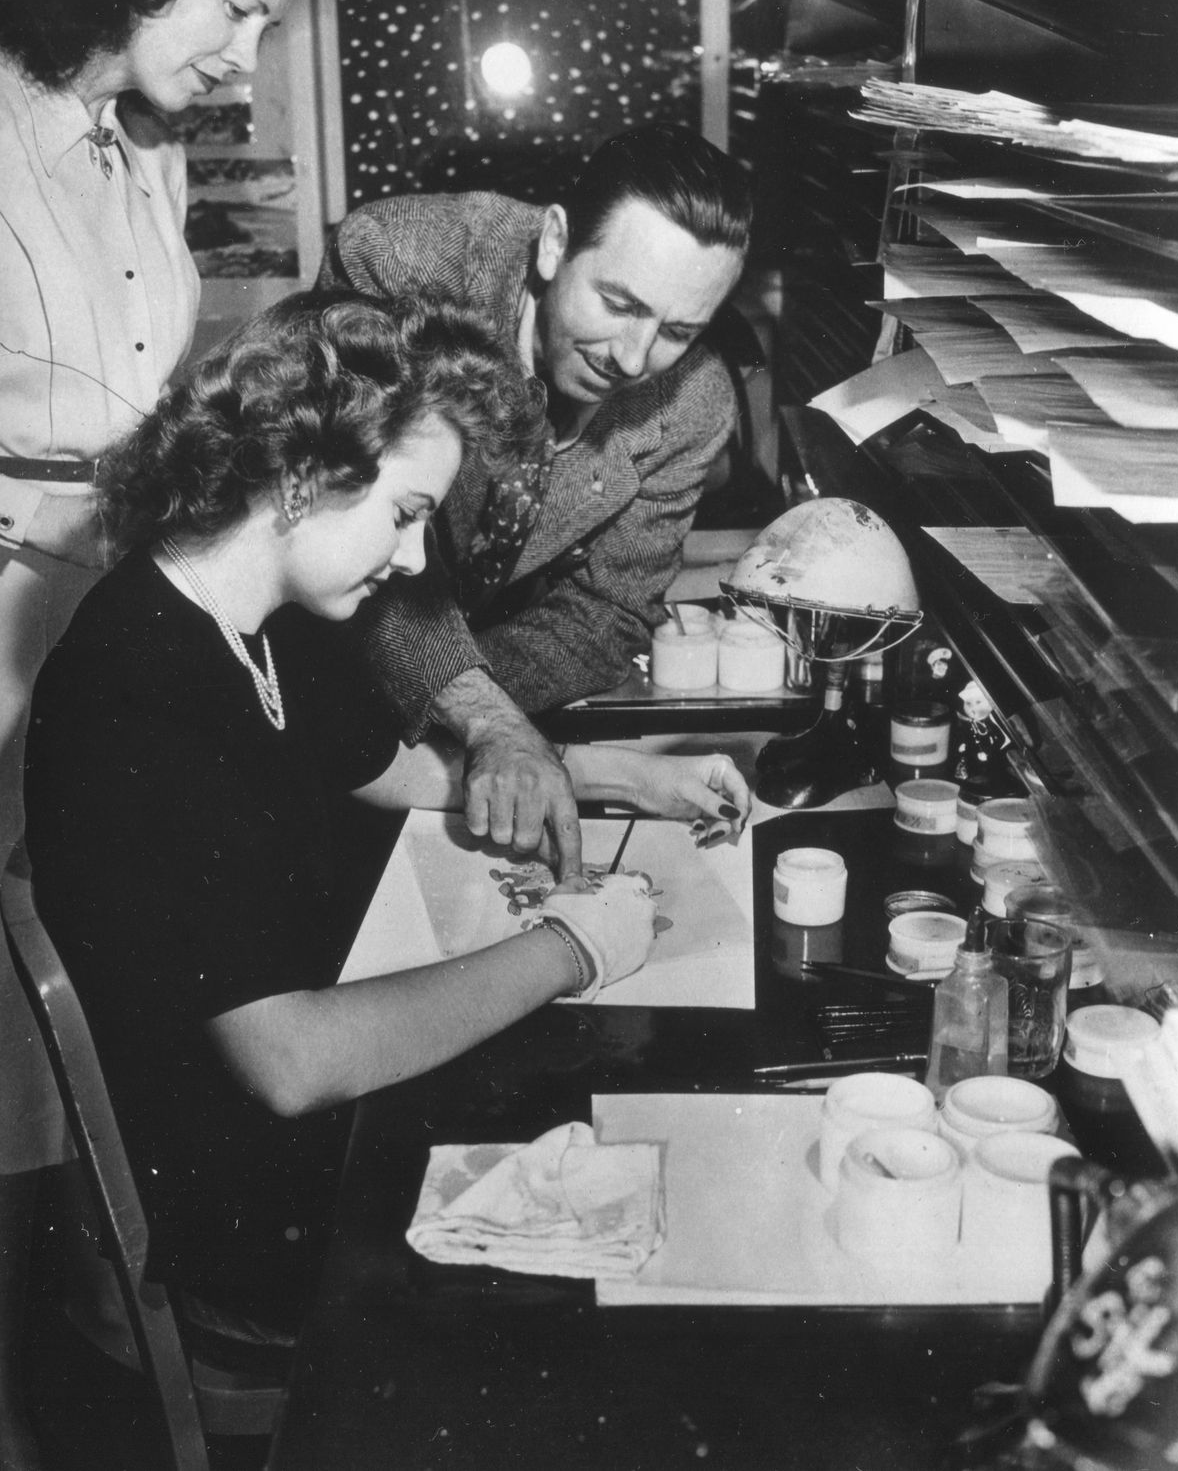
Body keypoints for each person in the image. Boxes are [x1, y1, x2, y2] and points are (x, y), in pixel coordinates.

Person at [23, 289, 750, 1337]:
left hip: (318, 1122)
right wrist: (573, 946)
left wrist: (625, 776)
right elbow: (293, 1064)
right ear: (305, 473)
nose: (413, 562)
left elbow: (399, 771)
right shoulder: (135, 687)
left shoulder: (260, 620)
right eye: (407, 515)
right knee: (658, 1240)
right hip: (260, 1203)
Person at [0, 0, 302, 1461]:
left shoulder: (149, 137)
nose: (252, 53)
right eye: (237, 8)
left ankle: (68, 1362)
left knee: (64, 1045)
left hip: (99, 604)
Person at [317, 123, 752, 879]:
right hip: (309, 659)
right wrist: (482, 716)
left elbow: (605, 613)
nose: (633, 358)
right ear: (554, 243)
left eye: (678, 330)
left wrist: (471, 721)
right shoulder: (399, 263)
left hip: (434, 720)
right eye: (618, 302)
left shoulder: (695, 402)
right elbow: (355, 526)